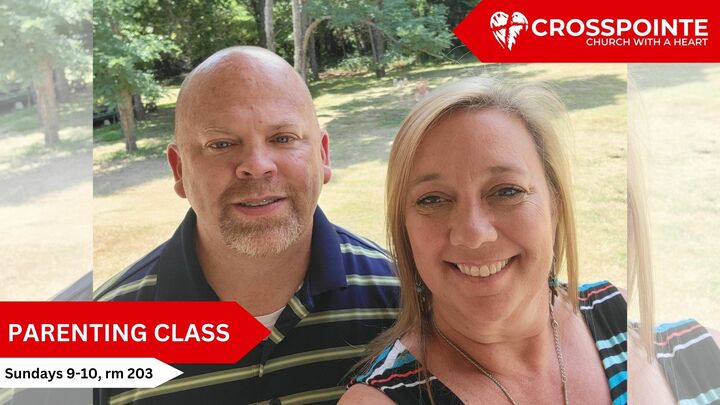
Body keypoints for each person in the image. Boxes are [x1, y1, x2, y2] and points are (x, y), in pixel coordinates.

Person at [93, 46, 399, 405]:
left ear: (322, 154)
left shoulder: (405, 302)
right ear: (179, 170)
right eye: (221, 144)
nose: (256, 165)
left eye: (283, 138)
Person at [340, 78, 627, 404]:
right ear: (404, 229)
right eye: (432, 199)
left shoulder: (623, 320)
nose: (473, 234)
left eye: (507, 191)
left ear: (555, 205)